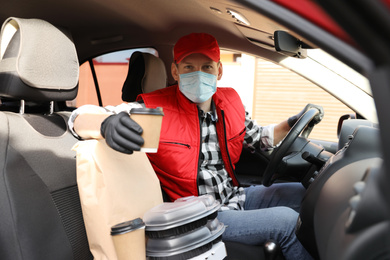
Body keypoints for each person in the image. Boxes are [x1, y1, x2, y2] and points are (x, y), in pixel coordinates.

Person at [69, 33, 322, 260]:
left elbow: (260, 137)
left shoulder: (230, 102)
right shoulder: (153, 111)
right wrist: (105, 124)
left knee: (308, 193)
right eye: (189, 67)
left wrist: (290, 124)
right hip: (198, 216)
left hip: (235, 196)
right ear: (176, 71)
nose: (198, 74)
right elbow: (80, 117)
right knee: (287, 222)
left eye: (206, 67)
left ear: (219, 71)